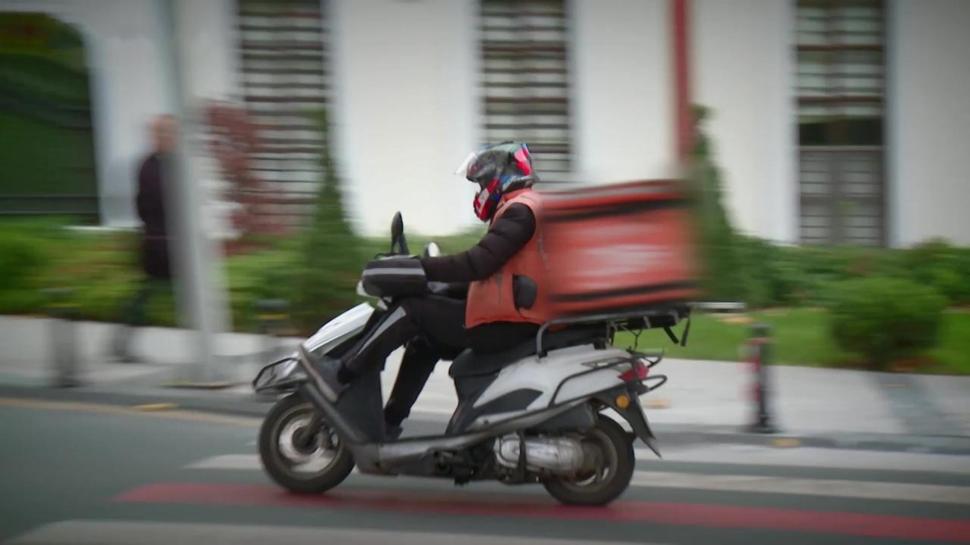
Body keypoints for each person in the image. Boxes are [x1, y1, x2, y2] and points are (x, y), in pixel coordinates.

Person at [301, 142, 546, 434]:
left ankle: (341, 373)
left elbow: (478, 263)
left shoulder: (520, 211)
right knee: (424, 341)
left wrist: (419, 268)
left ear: (500, 178)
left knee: (414, 311)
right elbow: (490, 275)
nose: (479, 191)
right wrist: (437, 285)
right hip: (511, 317)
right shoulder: (520, 207)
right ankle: (391, 422)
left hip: (511, 325)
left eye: (481, 183)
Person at [110, 115, 177, 362]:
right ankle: (121, 344)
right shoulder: (150, 167)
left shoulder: (171, 164)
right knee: (147, 293)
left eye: (172, 133)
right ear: (156, 136)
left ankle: (120, 343)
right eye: (166, 133)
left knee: (148, 293)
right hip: (160, 242)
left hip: (170, 241)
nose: (171, 138)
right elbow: (149, 205)